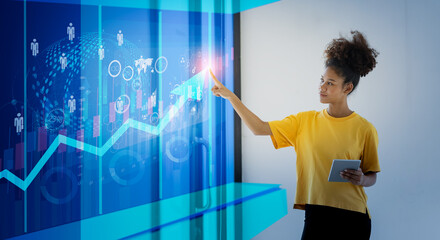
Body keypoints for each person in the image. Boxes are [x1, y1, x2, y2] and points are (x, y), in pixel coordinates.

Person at [209, 30, 380, 240]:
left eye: (330, 83)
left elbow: (372, 176)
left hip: (353, 218)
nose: (322, 87)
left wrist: (362, 178)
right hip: (316, 214)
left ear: (348, 88)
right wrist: (230, 97)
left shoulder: (365, 129)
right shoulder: (303, 121)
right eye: (322, 80)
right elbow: (259, 128)